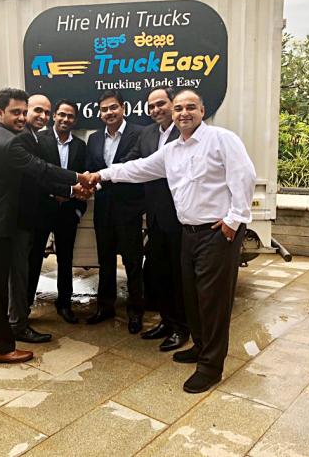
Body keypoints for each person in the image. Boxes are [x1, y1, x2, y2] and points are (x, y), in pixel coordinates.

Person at [85, 89, 256, 393]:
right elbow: (136, 169)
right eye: (179, 108)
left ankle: (210, 367)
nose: (183, 113)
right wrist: (100, 175)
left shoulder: (221, 139)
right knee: (192, 297)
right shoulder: (172, 150)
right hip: (188, 232)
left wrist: (235, 219)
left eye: (190, 107)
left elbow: (244, 175)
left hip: (216, 233)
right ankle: (200, 347)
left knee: (212, 302)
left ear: (202, 110)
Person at [0, 88, 91, 364]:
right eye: (15, 112)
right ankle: (0, 347)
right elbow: (41, 169)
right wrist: (79, 178)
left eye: (23, 112)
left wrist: (71, 189)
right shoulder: (10, 143)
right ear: (0, 112)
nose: (21, 117)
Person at [123, 86, 189, 352]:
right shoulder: (147, 133)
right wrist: (100, 176)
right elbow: (132, 163)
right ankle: (166, 321)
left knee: (179, 277)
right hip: (155, 218)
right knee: (160, 274)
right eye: (151, 106)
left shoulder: (185, 132)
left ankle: (182, 328)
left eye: (160, 103)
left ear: (173, 104)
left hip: (180, 217)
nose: (155, 110)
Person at [8, 94, 71, 343]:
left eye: (46, 112)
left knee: (60, 262)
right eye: (38, 111)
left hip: (59, 215)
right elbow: (42, 171)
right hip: (30, 216)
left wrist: (72, 196)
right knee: (25, 268)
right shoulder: (24, 139)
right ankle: (19, 318)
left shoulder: (31, 137)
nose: (42, 116)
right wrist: (75, 183)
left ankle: (21, 318)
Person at [85, 90, 145, 334]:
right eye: (104, 109)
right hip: (103, 209)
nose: (109, 113)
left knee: (132, 262)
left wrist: (101, 179)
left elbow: (135, 167)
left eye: (113, 107)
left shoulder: (139, 133)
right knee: (105, 261)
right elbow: (90, 169)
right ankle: (105, 307)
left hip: (129, 208)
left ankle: (135, 312)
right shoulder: (93, 138)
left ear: (123, 108)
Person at [28, 99, 87, 324]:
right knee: (34, 259)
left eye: (70, 116)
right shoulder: (39, 140)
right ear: (54, 116)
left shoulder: (80, 146)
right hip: (42, 209)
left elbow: (83, 178)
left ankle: (64, 304)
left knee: (65, 259)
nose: (65, 119)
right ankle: (25, 305)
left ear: (75, 120)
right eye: (61, 114)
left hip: (68, 212)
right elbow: (37, 175)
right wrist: (61, 191)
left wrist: (77, 210)